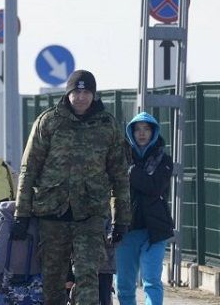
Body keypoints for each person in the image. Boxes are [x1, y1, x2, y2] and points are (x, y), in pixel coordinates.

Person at [12, 70, 131, 305]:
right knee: (53, 282)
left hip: (91, 214)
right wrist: (21, 214)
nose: (81, 97)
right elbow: (29, 170)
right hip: (52, 213)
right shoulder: (49, 121)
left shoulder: (107, 126)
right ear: (68, 93)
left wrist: (121, 219)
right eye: (77, 91)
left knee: (88, 275)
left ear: (94, 95)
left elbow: (119, 175)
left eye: (87, 92)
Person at [116, 112, 174, 305]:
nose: (142, 134)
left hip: (154, 231)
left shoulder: (163, 160)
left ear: (154, 132)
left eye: (146, 129)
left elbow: (154, 187)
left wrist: (131, 172)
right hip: (126, 229)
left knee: (151, 281)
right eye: (137, 129)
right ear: (131, 133)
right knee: (124, 283)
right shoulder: (119, 157)